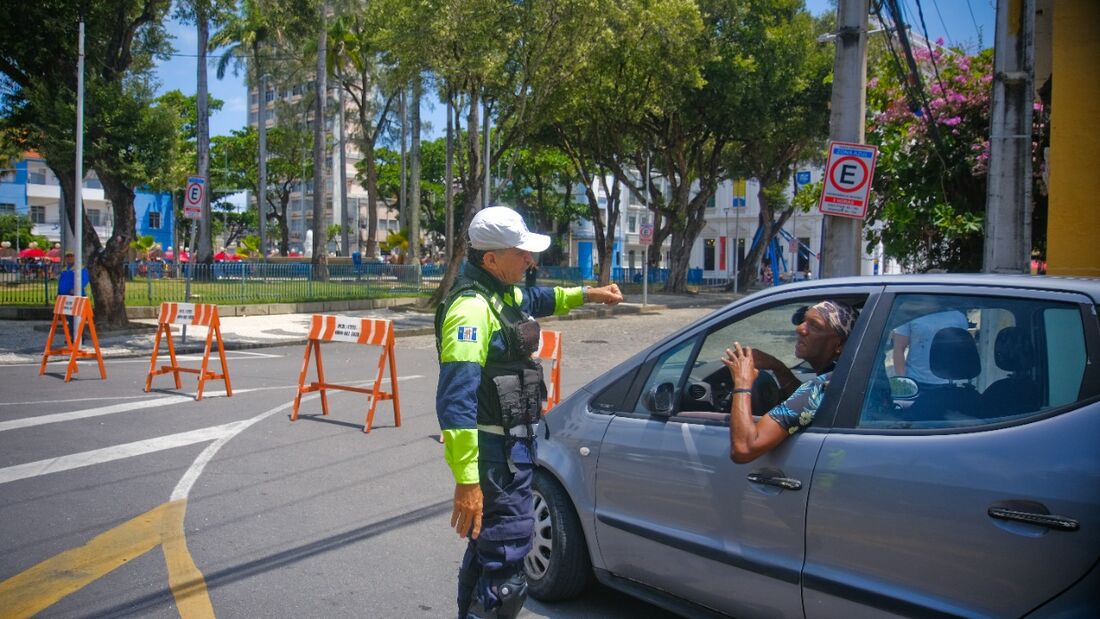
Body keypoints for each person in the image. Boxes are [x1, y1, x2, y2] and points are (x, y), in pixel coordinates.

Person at [435, 206, 623, 618]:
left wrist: (591, 294)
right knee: (507, 573)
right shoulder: (470, 310)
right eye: (521, 253)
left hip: (511, 454)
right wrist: (467, 481)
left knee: (488, 553)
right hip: (495, 459)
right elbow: (455, 402)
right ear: (491, 259)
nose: (530, 260)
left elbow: (541, 296)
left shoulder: (501, 294)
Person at [722, 300, 858, 463]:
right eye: (804, 320)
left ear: (839, 345)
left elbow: (744, 449)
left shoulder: (821, 387)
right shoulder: (844, 376)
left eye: (815, 326)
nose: (800, 328)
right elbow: (803, 404)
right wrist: (778, 367)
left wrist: (742, 382)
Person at [892, 310, 969, 386]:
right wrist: (903, 381)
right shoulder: (909, 316)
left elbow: (963, 352)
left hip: (950, 382)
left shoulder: (958, 317)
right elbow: (899, 348)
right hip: (916, 381)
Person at [57, 250, 90, 344]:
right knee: (70, 319)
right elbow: (61, 283)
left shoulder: (80, 268)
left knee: (77, 319)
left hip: (75, 296)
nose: (69, 258)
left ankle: (79, 338)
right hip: (65, 296)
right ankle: (72, 337)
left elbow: (84, 280)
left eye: (71, 256)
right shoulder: (64, 269)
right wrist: (59, 293)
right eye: (68, 256)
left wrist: (75, 289)